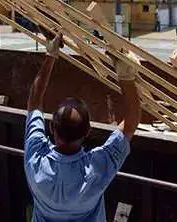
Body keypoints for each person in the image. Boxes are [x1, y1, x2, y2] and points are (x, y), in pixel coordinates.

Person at [24, 33, 141, 221]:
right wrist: (125, 75)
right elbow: (132, 122)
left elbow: (34, 101)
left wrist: (50, 55)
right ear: (87, 132)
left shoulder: (36, 161)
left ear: (52, 129)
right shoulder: (96, 168)